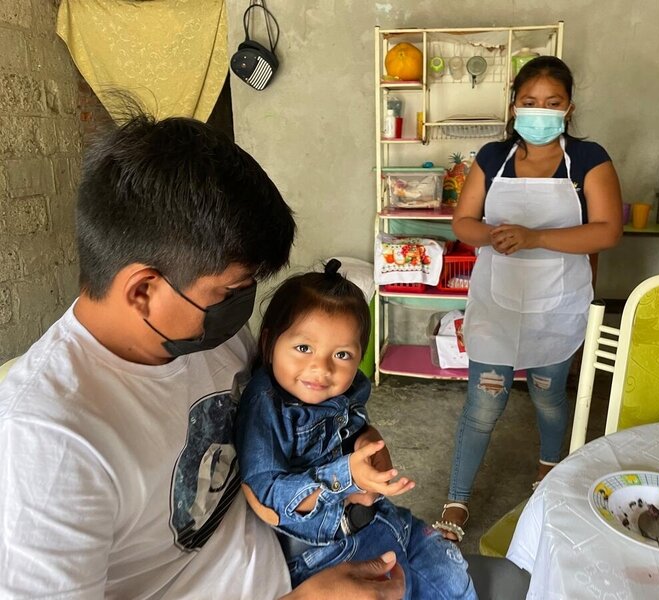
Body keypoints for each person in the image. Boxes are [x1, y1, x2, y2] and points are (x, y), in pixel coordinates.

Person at [0, 114, 406, 599]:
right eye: (231, 291)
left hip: (299, 548)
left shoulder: (204, 330)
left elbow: (288, 419)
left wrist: (357, 442)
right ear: (144, 290)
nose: (242, 307)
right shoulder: (47, 443)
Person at [434, 56, 623, 542]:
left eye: (552, 103)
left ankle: (547, 470)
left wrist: (535, 238)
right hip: (498, 303)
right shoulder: (492, 157)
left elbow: (607, 231)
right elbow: (463, 222)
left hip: (556, 306)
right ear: (514, 104)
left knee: (547, 396)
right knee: (482, 405)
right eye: (530, 102)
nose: (540, 111)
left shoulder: (587, 158)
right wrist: (491, 235)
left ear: (569, 108)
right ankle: (457, 499)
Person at [235, 260, 477, 600]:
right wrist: (346, 475)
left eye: (342, 354)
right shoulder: (266, 405)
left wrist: (367, 441)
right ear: (269, 343)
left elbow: (354, 427)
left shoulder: (346, 390)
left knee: (455, 581)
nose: (321, 367)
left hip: (385, 522)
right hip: (329, 554)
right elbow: (265, 493)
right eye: (304, 348)